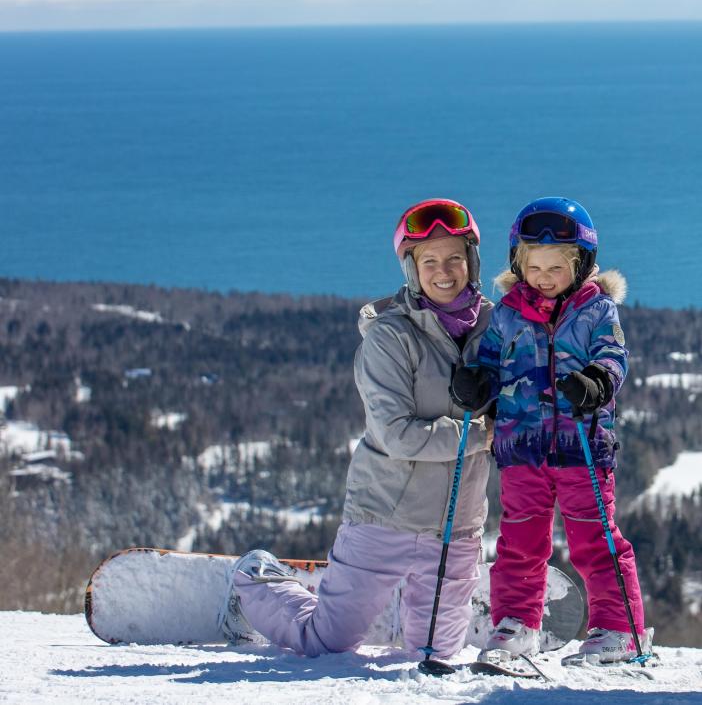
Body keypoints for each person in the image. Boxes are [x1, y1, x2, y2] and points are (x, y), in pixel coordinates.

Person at [219, 198, 493, 660]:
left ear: (472, 261)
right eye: (429, 260)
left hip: (456, 526)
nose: (444, 270)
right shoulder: (391, 337)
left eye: (454, 257)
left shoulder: (497, 330)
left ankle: (404, 614)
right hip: (384, 516)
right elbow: (397, 435)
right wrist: (482, 432)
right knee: (325, 643)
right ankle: (255, 579)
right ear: (412, 268)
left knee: (434, 657)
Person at [449, 196, 651, 663]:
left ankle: (619, 630)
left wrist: (597, 381)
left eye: (556, 267)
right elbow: (490, 362)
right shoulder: (506, 314)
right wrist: (476, 382)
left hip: (581, 445)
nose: (543, 277)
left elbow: (613, 357)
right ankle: (516, 625)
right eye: (533, 266)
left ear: (581, 266)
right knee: (520, 542)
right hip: (522, 447)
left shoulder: (597, 311)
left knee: (595, 539)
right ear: (518, 264)